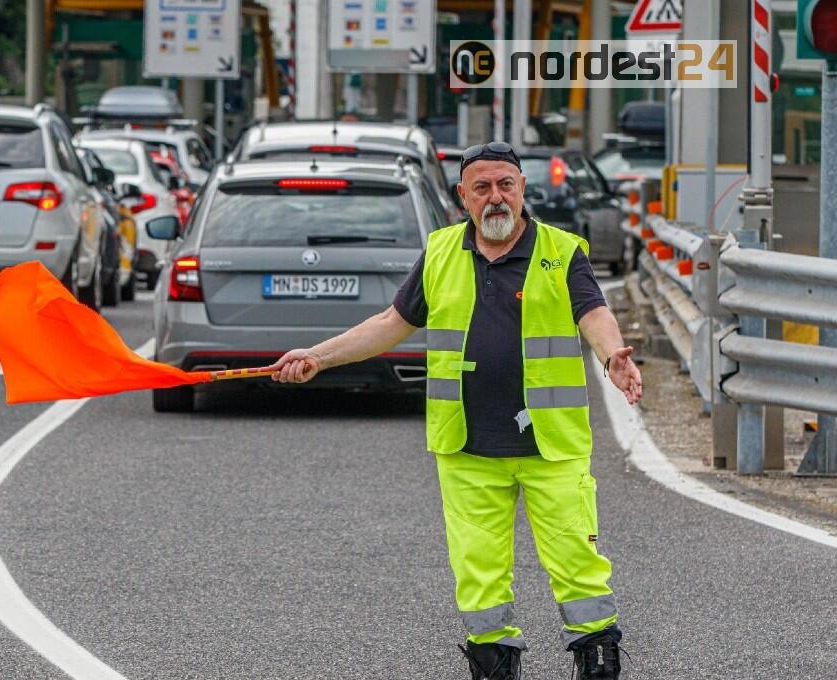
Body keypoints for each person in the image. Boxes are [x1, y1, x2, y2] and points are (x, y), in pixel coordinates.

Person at [269, 141, 641, 680]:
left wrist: (613, 356)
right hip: (467, 447)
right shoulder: (441, 252)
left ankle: (598, 665)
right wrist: (319, 357)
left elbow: (594, 313)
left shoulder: (562, 251)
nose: (496, 198)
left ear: (522, 191)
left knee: (578, 567)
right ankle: (493, 668)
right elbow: (390, 324)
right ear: (463, 196)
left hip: (550, 446)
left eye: (506, 186)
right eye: (483, 188)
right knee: (480, 576)